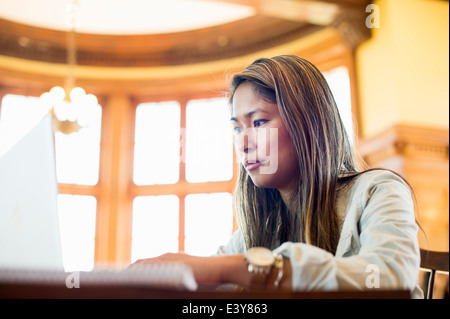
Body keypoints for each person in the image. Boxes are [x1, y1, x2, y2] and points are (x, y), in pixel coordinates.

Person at [133, 55, 423, 298]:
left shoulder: (378, 191)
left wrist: (238, 269)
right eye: (237, 128)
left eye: (258, 122)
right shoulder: (261, 222)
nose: (243, 143)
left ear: (307, 123)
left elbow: (389, 279)